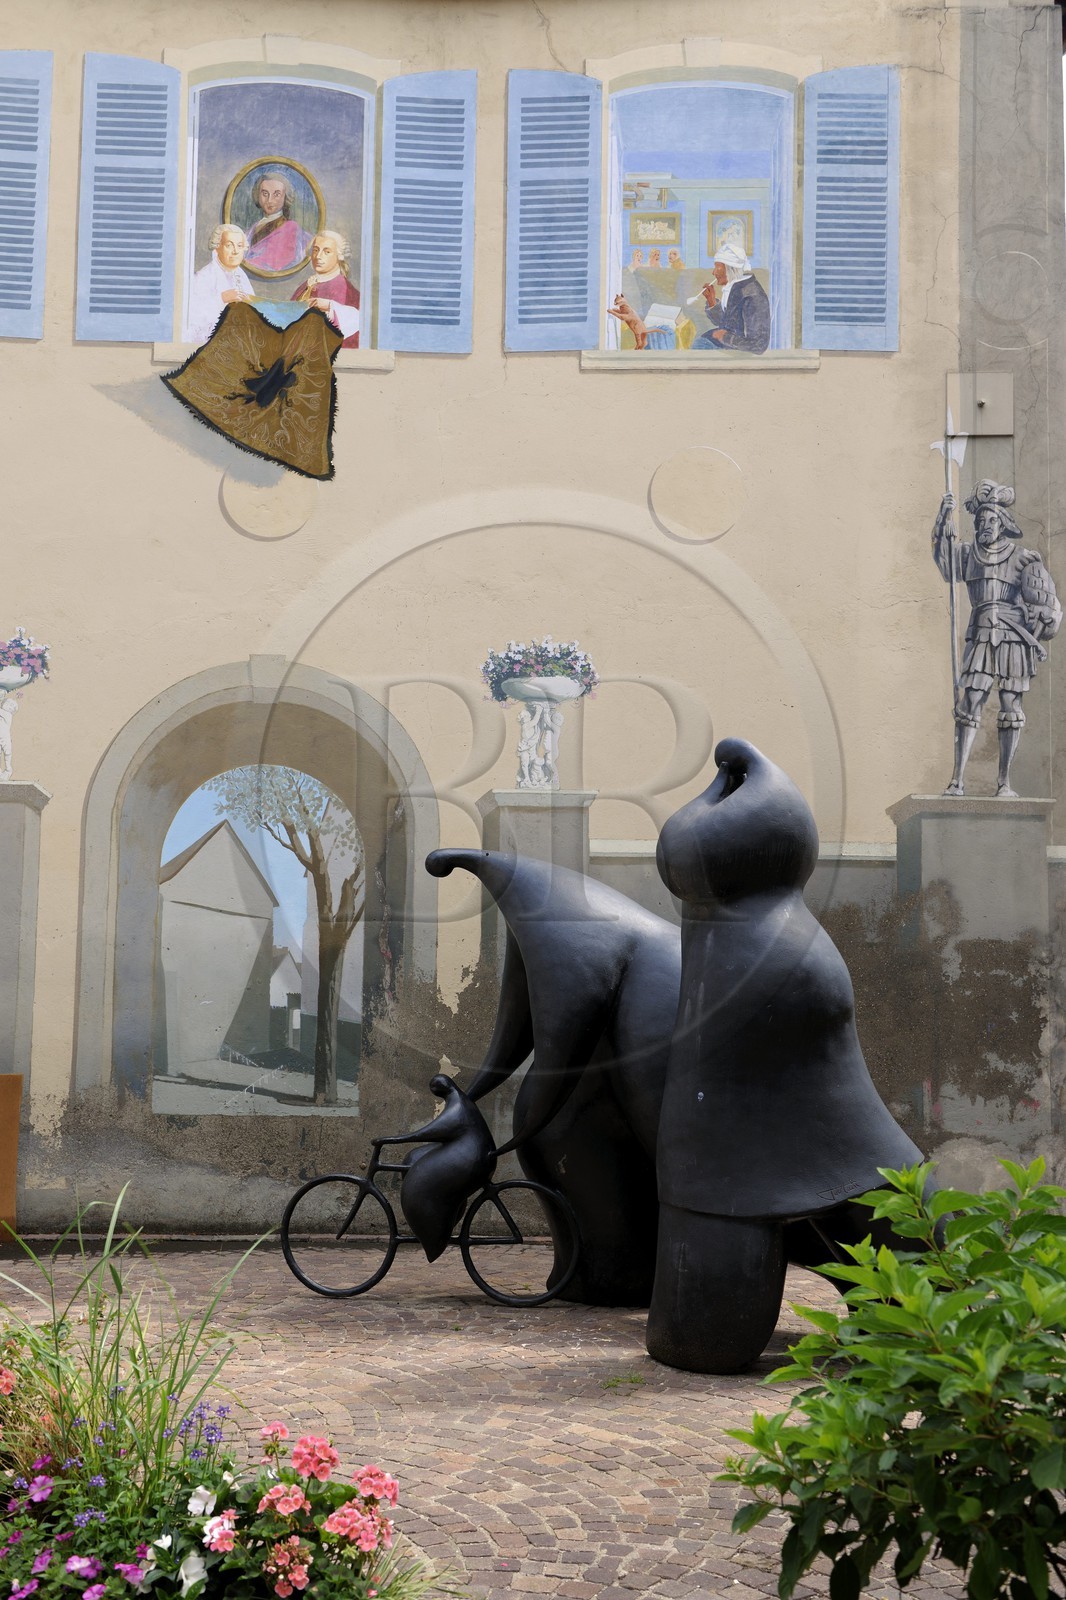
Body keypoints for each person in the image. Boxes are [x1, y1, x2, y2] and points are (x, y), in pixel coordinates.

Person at [933, 481, 1060, 797]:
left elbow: (1043, 604)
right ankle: (957, 780)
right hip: (980, 635)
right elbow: (947, 566)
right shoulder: (967, 553)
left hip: (1013, 639)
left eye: (990, 520)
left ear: (1004, 524)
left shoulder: (1024, 559)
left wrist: (1040, 619)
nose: (983, 526)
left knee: (1010, 704)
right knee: (970, 701)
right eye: (979, 521)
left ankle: (1004, 782)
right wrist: (943, 519)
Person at [693, 241, 770, 354]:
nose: (713, 272)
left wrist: (725, 337)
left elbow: (758, 345)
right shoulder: (736, 287)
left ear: (730, 269)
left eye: (717, 267)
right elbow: (727, 323)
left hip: (735, 353)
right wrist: (712, 302)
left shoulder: (753, 296)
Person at [290, 231, 360, 348]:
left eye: (326, 252)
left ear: (339, 256)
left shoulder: (342, 287)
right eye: (316, 250)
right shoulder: (306, 285)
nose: (318, 257)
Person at [185, 224, 252, 345]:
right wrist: (221, 298)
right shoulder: (204, 277)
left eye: (240, 246)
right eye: (229, 245)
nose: (235, 251)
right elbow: (191, 317)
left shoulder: (241, 276)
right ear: (217, 249)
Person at [243, 172, 313, 273]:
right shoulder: (254, 227)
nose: (269, 200)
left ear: (285, 197)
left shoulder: (290, 228)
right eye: (265, 194)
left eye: (277, 194)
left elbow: (274, 264)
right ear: (257, 195)